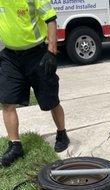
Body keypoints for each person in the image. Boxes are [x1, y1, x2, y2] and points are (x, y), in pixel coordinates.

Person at [0, 0, 70, 167]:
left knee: (51, 100)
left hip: (37, 54)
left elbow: (50, 18)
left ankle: (62, 133)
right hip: (10, 56)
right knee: (7, 101)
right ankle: (15, 145)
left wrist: (51, 51)